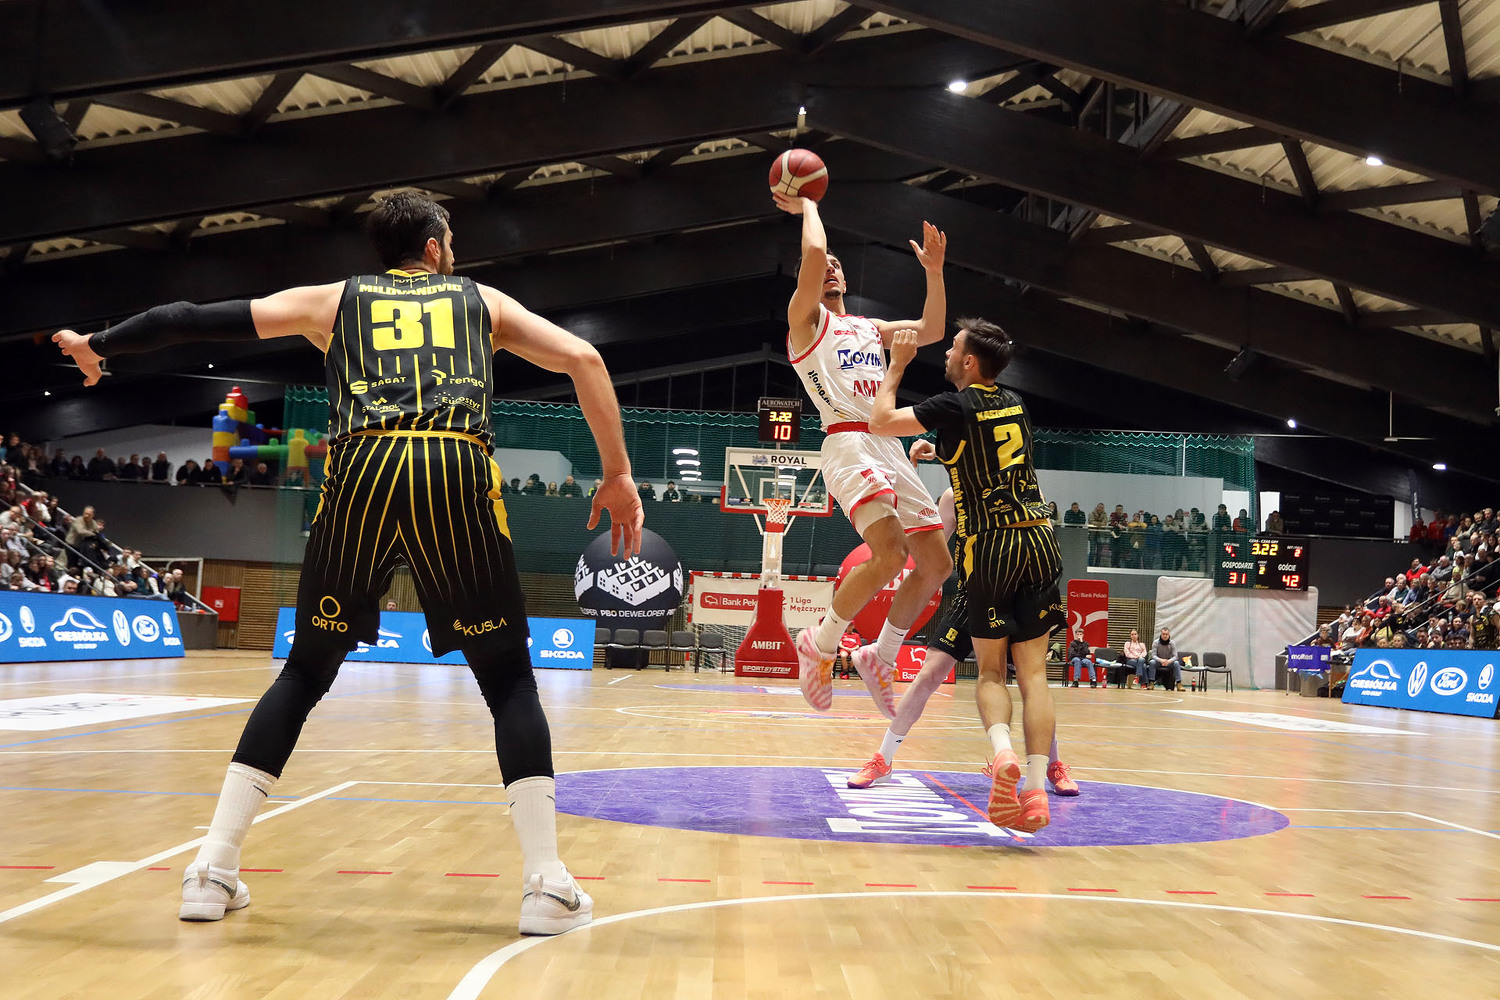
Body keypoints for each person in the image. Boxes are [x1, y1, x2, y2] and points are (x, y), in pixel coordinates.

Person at [54, 191, 643, 936]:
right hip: (453, 465)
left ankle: (212, 867)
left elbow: (190, 318)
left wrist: (99, 343)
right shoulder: (483, 302)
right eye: (451, 239)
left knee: (304, 673)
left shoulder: (333, 302)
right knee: (508, 680)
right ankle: (546, 884)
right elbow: (585, 359)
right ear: (434, 247)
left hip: (361, 469)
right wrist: (618, 475)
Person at [868, 321, 1063, 833]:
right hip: (1039, 539)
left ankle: (1002, 753)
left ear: (970, 362)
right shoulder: (1016, 402)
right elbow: (981, 450)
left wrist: (897, 366)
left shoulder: (952, 405)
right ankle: (1036, 790)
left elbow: (880, 420)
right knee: (1035, 677)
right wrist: (941, 454)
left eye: (954, 348)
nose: (948, 354)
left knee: (992, 674)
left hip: (992, 546)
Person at [775, 187, 951, 721]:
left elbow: (933, 329)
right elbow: (812, 253)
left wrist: (935, 272)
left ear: (848, 281)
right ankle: (822, 642)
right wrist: (808, 203)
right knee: (890, 554)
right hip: (848, 440)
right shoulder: (805, 323)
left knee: (937, 564)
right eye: (823, 266)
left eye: (838, 265)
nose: (829, 267)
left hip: (889, 443)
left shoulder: (869, 328)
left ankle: (882, 653)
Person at [846, 453, 1080, 801]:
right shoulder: (952, 497)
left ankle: (1052, 765)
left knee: (1032, 682)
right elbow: (932, 552)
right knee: (928, 675)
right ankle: (883, 758)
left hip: (1020, 595)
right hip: (976, 593)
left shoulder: (1023, 486)